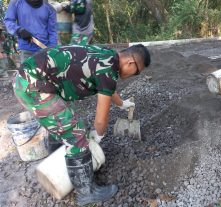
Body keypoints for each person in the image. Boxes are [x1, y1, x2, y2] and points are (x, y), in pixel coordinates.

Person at [13, 44, 151, 206]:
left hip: (31, 80)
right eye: (137, 72)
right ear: (130, 63)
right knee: (76, 134)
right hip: (33, 86)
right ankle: (86, 192)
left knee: (63, 122)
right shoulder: (108, 71)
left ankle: (61, 164)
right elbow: (101, 119)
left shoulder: (107, 56)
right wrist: (98, 136)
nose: (133, 75)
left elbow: (108, 87)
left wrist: (121, 104)